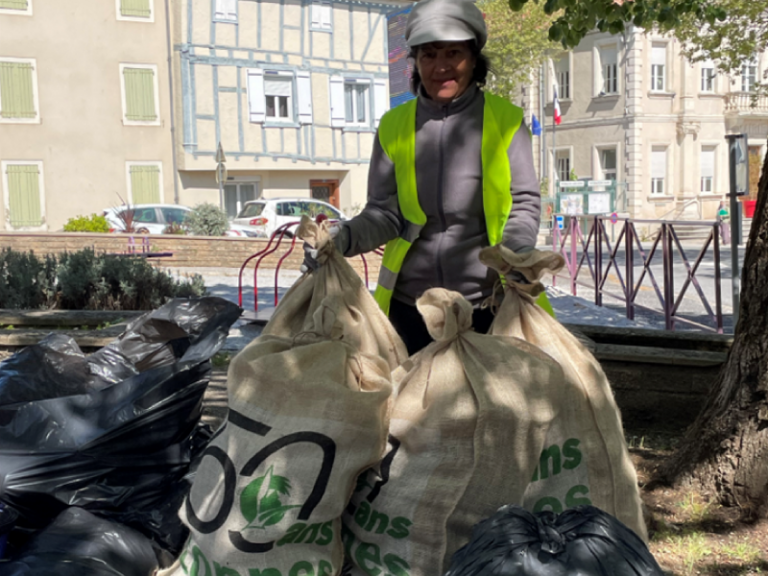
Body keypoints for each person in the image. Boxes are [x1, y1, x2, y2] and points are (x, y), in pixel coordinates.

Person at [306, 0, 543, 355]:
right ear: (415, 62)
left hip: (486, 306)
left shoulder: (507, 121)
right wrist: (342, 238)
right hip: (409, 309)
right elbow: (384, 213)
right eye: (429, 55)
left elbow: (523, 202)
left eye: (453, 53)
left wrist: (517, 253)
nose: (441, 66)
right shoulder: (394, 126)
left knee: (481, 410)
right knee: (410, 408)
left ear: (474, 58)